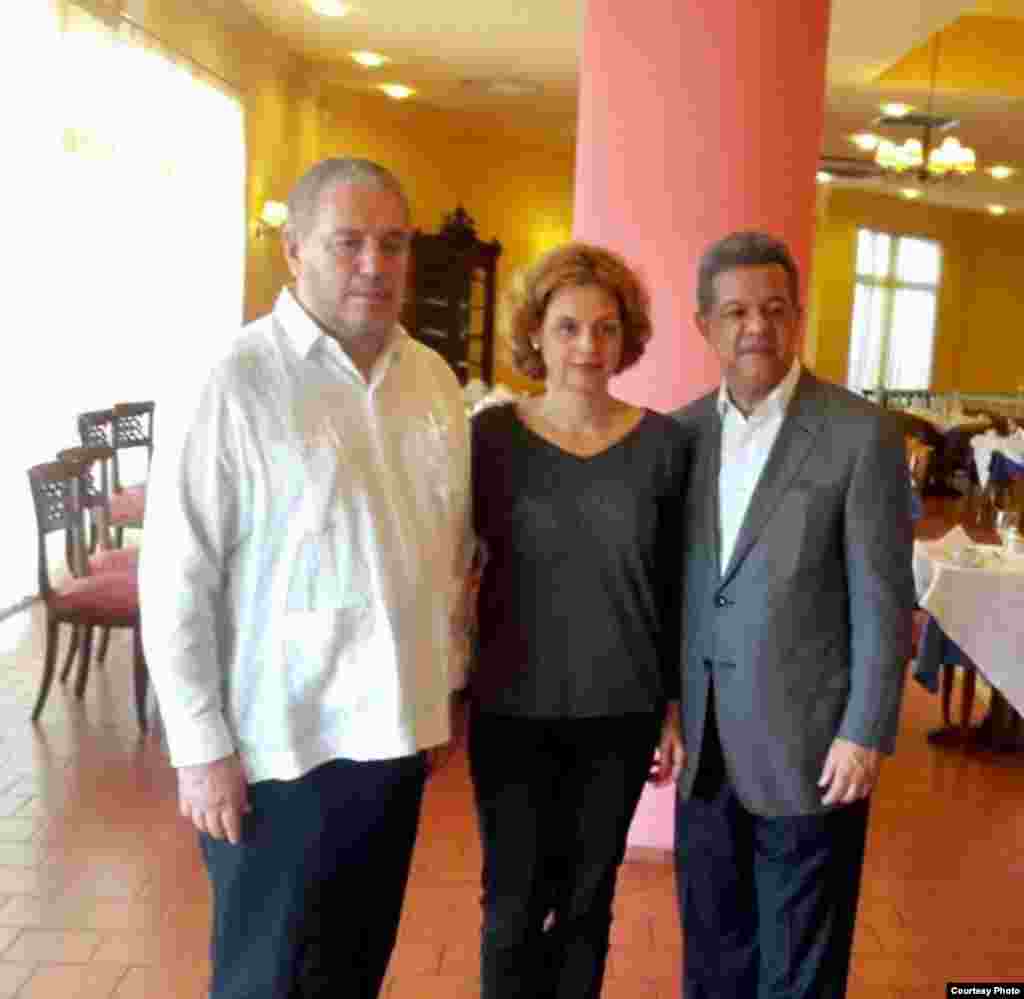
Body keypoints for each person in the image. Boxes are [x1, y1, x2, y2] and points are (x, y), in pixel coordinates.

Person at [139, 157, 472, 999]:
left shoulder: (432, 382)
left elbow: (442, 556)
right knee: (267, 980)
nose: (375, 264)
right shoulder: (232, 380)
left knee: (354, 970)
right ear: (294, 250)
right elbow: (176, 576)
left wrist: (437, 697)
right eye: (349, 242)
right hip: (273, 750)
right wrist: (200, 748)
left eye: (393, 244)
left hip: (392, 743)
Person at [672, 230, 916, 999]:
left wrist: (865, 728)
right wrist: (669, 707)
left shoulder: (859, 432)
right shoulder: (680, 435)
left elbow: (884, 593)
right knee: (714, 953)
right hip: (707, 750)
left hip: (814, 748)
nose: (757, 327)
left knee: (802, 966)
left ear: (798, 317)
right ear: (704, 322)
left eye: (775, 309)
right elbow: (678, 588)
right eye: (737, 311)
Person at [469, 242, 687, 999]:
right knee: (513, 904)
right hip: (510, 705)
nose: (587, 347)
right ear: (535, 333)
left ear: (627, 338)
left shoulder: (665, 445)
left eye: (605, 328)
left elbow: (674, 585)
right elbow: (451, 567)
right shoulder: (490, 439)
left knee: (590, 901)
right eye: (567, 328)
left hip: (620, 710)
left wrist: (672, 705)